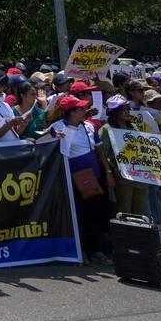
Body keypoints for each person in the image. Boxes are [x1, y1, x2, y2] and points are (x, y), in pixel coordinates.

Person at [48, 95, 113, 264]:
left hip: (94, 177)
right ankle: (80, 251)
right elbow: (43, 143)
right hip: (73, 180)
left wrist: (108, 172)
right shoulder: (57, 127)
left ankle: (96, 250)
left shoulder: (89, 126)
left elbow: (100, 151)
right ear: (71, 112)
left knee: (95, 215)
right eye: (81, 108)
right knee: (78, 216)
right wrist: (54, 137)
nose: (85, 110)